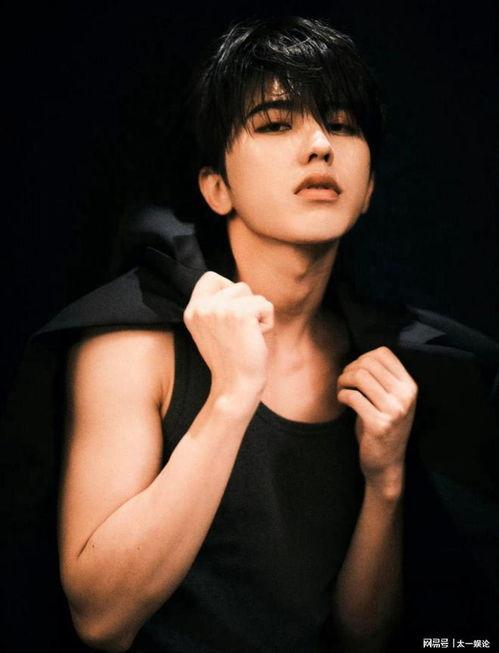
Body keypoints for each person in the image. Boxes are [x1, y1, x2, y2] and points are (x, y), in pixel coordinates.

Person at [2, 16, 497, 653]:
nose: (320, 145)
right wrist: (232, 397)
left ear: (370, 188)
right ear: (217, 187)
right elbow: (101, 619)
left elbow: (362, 638)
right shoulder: (133, 344)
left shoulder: (380, 367)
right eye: (275, 124)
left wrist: (386, 481)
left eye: (343, 125)